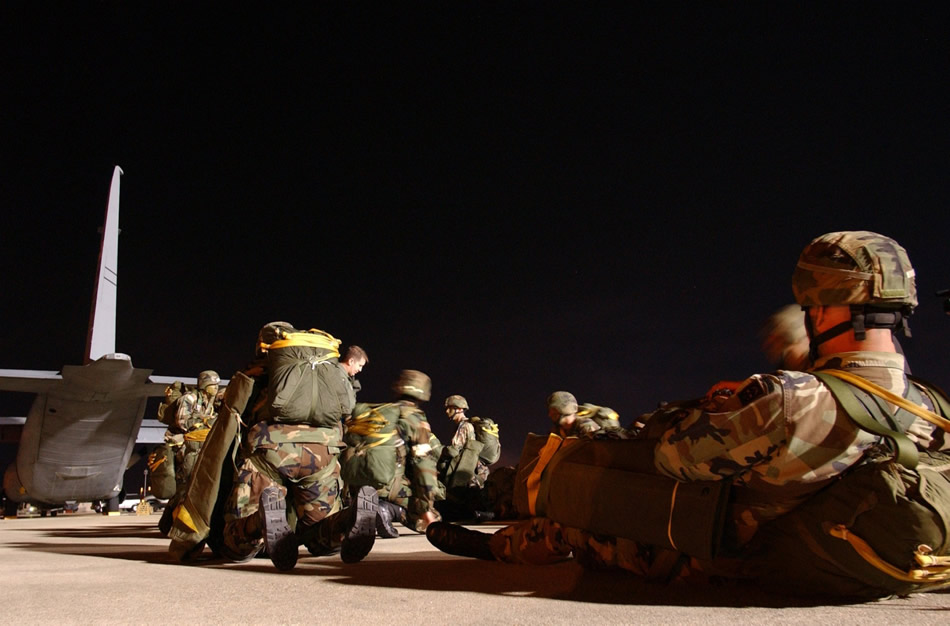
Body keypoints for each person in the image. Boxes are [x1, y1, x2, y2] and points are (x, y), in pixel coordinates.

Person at [427, 231, 950, 599]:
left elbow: (674, 458)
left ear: (826, 308)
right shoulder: (931, 405)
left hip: (743, 561)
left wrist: (722, 408)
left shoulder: (793, 398)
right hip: (862, 563)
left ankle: (501, 548)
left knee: (580, 522)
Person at [215, 322, 376, 571]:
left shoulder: (255, 372)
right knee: (319, 537)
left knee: (234, 543)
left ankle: (259, 521)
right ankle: (347, 519)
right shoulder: (328, 371)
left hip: (270, 452)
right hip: (322, 453)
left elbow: (228, 418)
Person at [305, 369, 444, 551]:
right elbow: (424, 467)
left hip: (356, 488)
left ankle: (333, 528)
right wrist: (426, 509)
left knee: (328, 538)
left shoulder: (378, 414)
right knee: (427, 520)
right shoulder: (415, 419)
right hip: (389, 488)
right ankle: (386, 509)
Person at [156, 372, 219, 535]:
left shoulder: (209, 401)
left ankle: (172, 524)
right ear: (204, 385)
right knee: (184, 485)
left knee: (190, 485)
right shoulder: (189, 398)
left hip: (196, 446)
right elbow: (182, 421)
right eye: (213, 385)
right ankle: (169, 525)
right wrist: (205, 422)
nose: (216, 388)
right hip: (181, 445)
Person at [436, 394, 501, 522]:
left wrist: (438, 450)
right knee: (473, 495)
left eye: (450, 408)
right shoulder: (465, 425)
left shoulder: (464, 426)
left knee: (466, 494)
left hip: (469, 465)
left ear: (459, 409)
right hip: (474, 465)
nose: (447, 411)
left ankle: (480, 514)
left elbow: (455, 450)